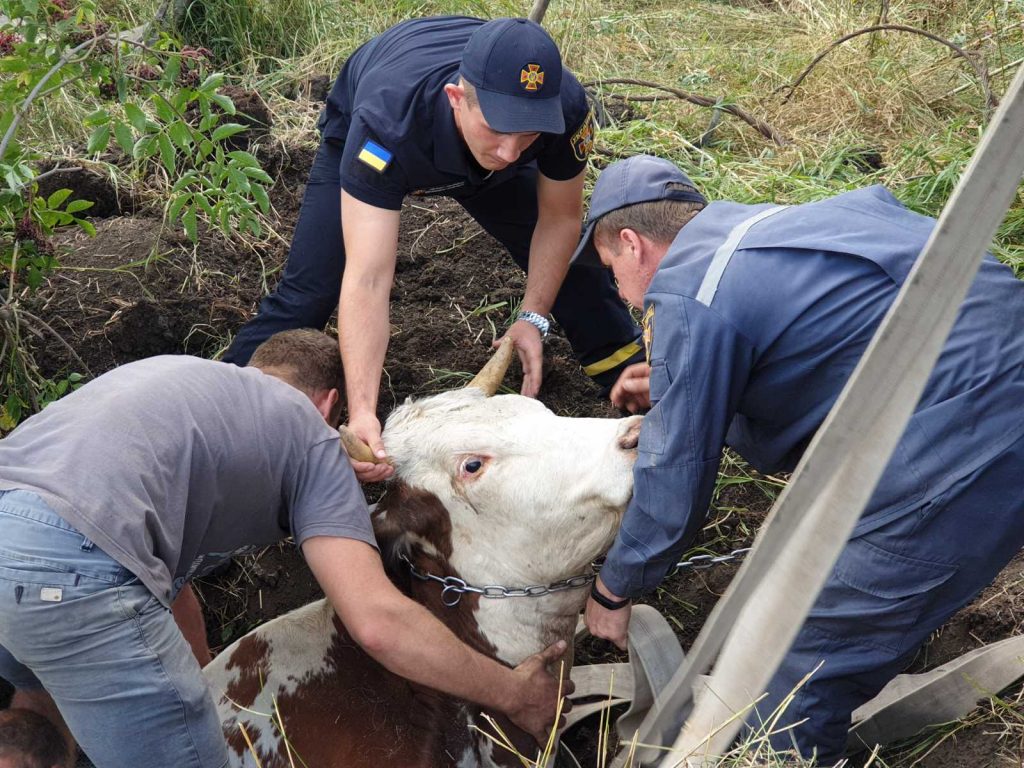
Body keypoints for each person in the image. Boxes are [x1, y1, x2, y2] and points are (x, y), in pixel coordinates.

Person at [576, 155, 1024, 763]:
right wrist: (686, 384)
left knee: (789, 674)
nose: (622, 293)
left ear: (632, 244)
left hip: (965, 433)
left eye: (609, 270)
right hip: (995, 361)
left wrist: (613, 588)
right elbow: (830, 344)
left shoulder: (688, 291)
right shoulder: (791, 225)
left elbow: (675, 480)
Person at [0, 330, 569, 768]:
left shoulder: (183, 387)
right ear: (328, 404)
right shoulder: (307, 432)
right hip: (74, 571)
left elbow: (168, 587)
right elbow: (376, 622)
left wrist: (201, 688)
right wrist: (513, 694)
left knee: (35, 704)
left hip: (20, 535)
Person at [221, 16, 644, 482]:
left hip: (463, 146)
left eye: (528, 134)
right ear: (456, 100)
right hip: (381, 138)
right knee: (309, 293)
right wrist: (363, 412)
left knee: (579, 276)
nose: (510, 152)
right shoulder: (386, 124)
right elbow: (368, 277)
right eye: (498, 129)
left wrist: (533, 316)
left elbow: (559, 219)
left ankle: (644, 395)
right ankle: (221, 417)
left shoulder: (562, 109)